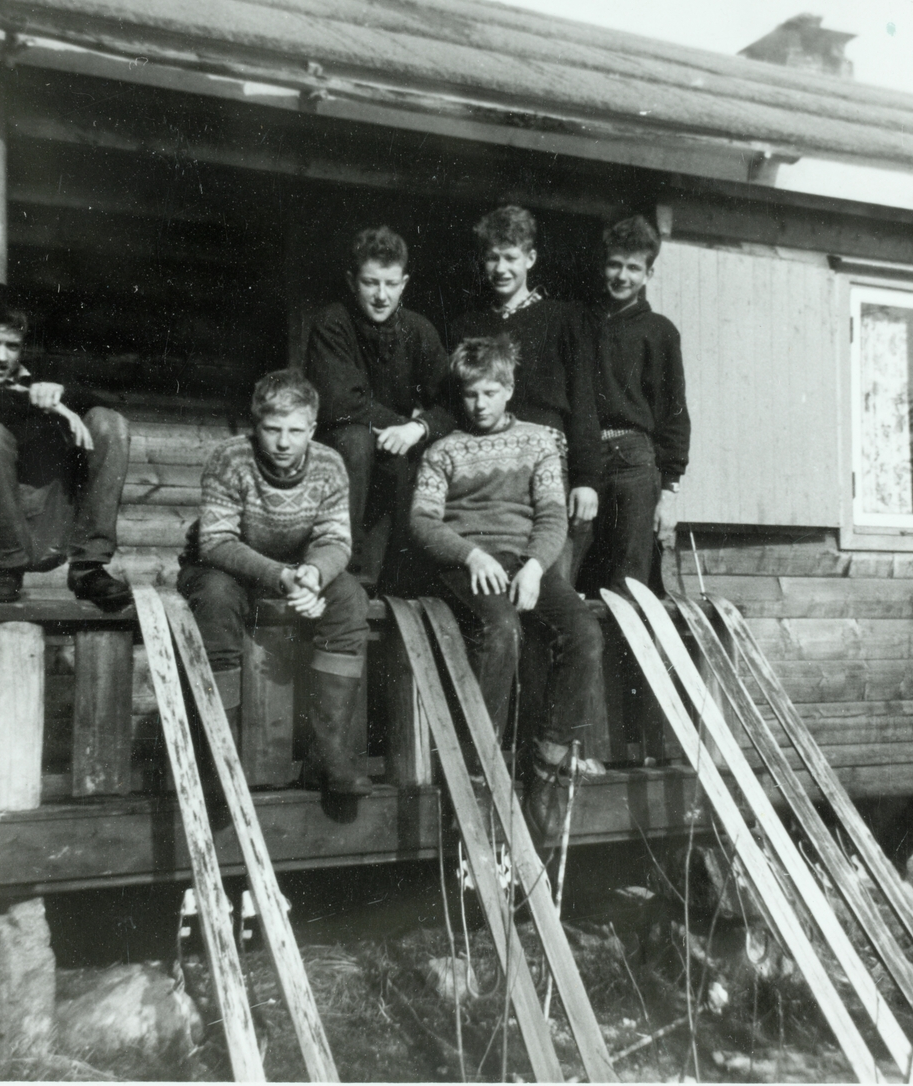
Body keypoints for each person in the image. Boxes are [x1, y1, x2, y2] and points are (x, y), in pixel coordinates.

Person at [411, 336, 606, 834]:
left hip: (523, 560)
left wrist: (538, 567)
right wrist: (470, 554)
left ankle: (547, 765)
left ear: (509, 389)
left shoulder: (540, 441)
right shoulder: (443, 451)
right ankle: (478, 772)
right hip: (467, 562)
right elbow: (423, 522)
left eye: (490, 393)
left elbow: (551, 516)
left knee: (583, 634)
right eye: (472, 394)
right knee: (501, 631)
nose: (480, 404)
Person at [177, 368, 372, 797]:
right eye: (272, 429)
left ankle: (329, 755)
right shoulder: (231, 459)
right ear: (255, 424)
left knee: (350, 597)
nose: (284, 443)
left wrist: (314, 574)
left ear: (312, 428)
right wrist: (285, 578)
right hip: (223, 568)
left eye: (296, 431)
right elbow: (216, 541)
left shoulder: (329, 464)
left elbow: (335, 539)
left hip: (292, 569)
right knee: (215, 596)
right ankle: (216, 754)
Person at [0, 282, 132, 610]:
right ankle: (7, 565)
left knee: (109, 422)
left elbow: (108, 403)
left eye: (11, 346)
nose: (1, 356)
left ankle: (88, 566)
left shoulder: (39, 380)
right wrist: (34, 400)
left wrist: (60, 395)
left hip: (51, 526)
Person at [446, 205, 600, 579]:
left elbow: (583, 400)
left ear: (530, 258)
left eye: (511, 257)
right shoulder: (469, 324)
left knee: (549, 577)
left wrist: (586, 480)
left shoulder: (565, 319)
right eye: (492, 258)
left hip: (547, 461)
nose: (501, 268)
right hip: (490, 465)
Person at [306, 226, 454, 592]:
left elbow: (451, 403)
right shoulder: (333, 323)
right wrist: (404, 422)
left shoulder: (418, 331)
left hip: (395, 446)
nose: (381, 295)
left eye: (390, 284)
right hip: (341, 446)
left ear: (404, 283)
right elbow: (340, 402)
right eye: (371, 283)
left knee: (410, 455)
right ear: (352, 280)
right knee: (357, 440)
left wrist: (418, 429)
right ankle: (341, 569)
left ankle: (399, 581)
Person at [578, 215, 691, 597]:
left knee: (629, 580)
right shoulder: (580, 324)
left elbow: (674, 412)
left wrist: (669, 493)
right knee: (575, 572)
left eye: (633, 267)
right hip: (585, 455)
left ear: (649, 273)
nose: (622, 276)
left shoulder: (660, 331)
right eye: (614, 264)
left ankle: (626, 657)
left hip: (634, 462)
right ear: (602, 265)